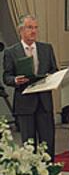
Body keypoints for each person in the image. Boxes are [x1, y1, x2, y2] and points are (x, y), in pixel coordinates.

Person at [3, 15, 57, 159]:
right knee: (28, 144)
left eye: (35, 27)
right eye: (29, 28)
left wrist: (53, 78)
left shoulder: (46, 48)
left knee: (48, 143)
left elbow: (54, 70)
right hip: (25, 104)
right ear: (21, 30)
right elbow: (6, 77)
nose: (33, 31)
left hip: (44, 103)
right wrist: (15, 80)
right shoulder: (11, 52)